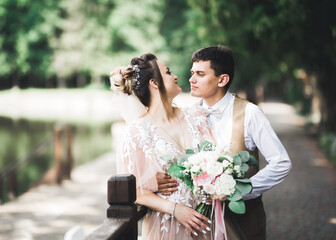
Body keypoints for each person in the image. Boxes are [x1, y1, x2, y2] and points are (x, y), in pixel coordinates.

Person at [158, 45, 292, 240]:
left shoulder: (250, 113)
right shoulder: (189, 115)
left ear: (222, 79)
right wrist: (161, 181)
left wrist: (240, 191)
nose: (191, 79)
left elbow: (282, 163)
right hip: (199, 224)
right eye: (192, 73)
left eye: (200, 74)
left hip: (244, 220)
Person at [110, 53, 215, 240]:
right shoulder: (136, 133)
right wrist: (175, 209)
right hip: (168, 226)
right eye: (168, 72)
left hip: (207, 222)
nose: (175, 76)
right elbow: (134, 191)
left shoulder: (197, 117)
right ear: (155, 83)